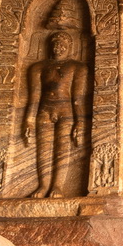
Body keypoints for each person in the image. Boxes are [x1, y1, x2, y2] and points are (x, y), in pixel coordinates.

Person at [24, 31, 89, 198]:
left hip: (65, 110)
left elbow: (77, 98)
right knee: (44, 149)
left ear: (69, 47)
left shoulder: (77, 67)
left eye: (62, 45)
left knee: (62, 149)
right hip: (45, 110)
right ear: (49, 47)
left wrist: (80, 121)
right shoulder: (38, 68)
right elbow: (35, 97)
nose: (58, 48)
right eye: (55, 44)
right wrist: (29, 120)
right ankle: (43, 185)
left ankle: (57, 186)